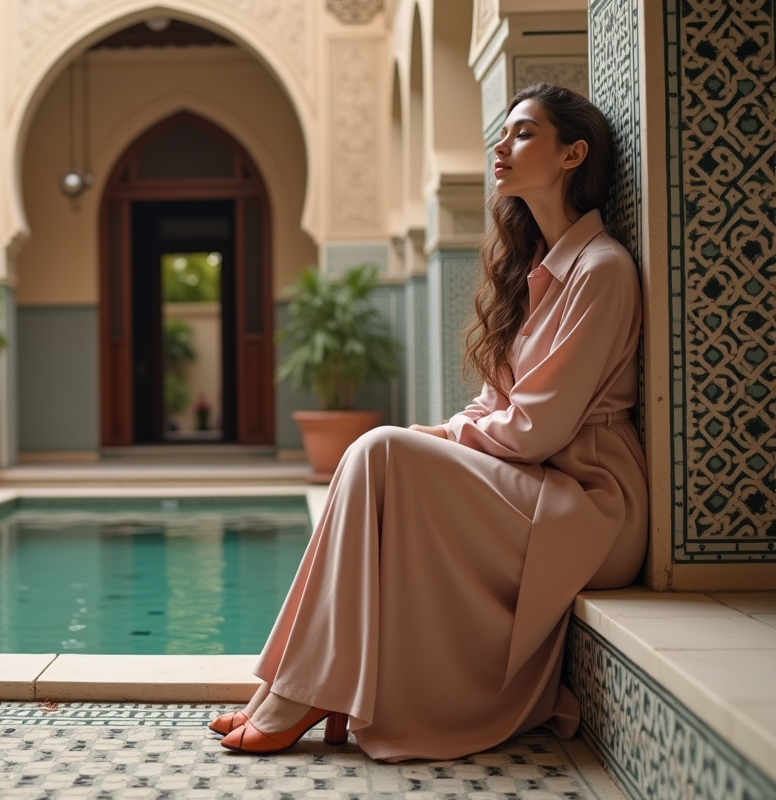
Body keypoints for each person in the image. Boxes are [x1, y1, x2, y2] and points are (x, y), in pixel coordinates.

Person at [211, 83, 648, 759]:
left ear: (573, 155)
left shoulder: (603, 270)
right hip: (532, 482)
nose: (501, 145)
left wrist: (442, 439)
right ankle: (295, 685)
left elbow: (540, 428)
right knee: (378, 451)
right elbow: (492, 405)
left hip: (589, 503)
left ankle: (304, 688)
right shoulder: (536, 272)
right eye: (503, 133)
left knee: (382, 451)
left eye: (524, 134)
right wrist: (443, 432)